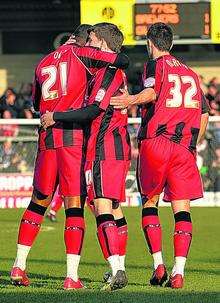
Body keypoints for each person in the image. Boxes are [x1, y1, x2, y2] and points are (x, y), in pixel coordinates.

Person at [10, 24, 129, 290]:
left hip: (45, 139)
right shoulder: (83, 53)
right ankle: (71, 277)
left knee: (38, 202)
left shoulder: (43, 62)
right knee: (74, 207)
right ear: (86, 40)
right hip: (72, 139)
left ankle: (18, 265)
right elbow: (121, 59)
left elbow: (34, 103)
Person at [110, 22, 209, 289]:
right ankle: (179, 272)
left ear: (150, 44)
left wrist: (129, 100)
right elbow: (204, 113)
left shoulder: (155, 65)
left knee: (149, 203)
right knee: (182, 209)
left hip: (157, 143)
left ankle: (158, 266)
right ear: (172, 44)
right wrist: (192, 143)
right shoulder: (191, 74)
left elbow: (152, 92)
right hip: (183, 148)